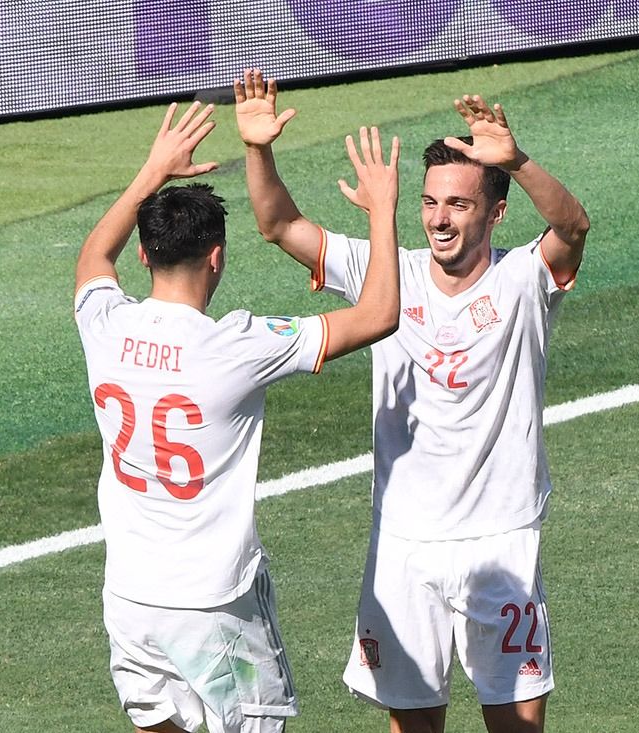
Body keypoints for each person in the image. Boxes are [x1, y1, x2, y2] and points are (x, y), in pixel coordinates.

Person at [234, 69, 590, 733]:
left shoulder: (524, 278)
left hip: (501, 540)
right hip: (404, 543)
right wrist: (258, 148)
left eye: (457, 203)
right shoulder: (386, 274)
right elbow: (278, 224)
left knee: (517, 725)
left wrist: (516, 159)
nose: (438, 217)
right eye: (429, 202)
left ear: (495, 210)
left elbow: (573, 224)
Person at [73, 99, 402, 733]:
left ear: (145, 256)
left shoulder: (104, 325)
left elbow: (93, 258)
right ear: (217, 258)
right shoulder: (237, 344)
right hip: (216, 605)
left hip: (131, 597)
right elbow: (380, 314)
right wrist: (383, 211)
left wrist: (153, 170)